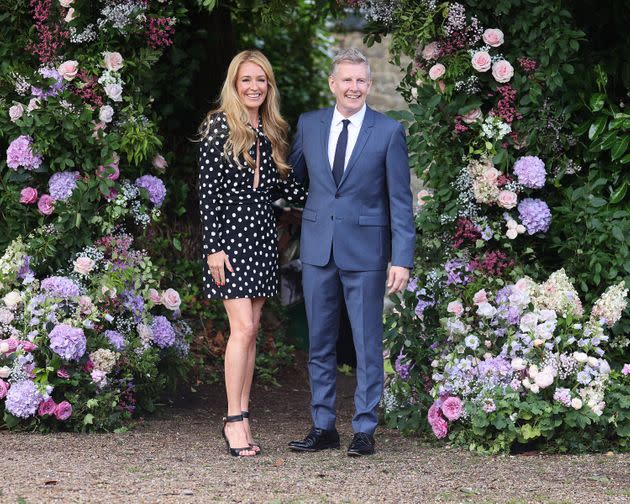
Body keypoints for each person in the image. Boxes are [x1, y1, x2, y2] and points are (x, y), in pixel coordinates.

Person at [288, 48, 415, 456]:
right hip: (317, 249)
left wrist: (402, 257)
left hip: (367, 253)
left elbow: (400, 199)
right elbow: (294, 184)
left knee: (366, 342)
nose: (354, 87)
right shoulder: (308, 125)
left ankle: (364, 428)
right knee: (320, 342)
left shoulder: (388, 131)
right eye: (347, 80)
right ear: (333, 84)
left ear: (369, 85)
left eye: (361, 80)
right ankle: (323, 426)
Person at [198, 50, 305, 457]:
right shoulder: (217, 127)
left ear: (269, 85)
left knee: (253, 328)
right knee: (241, 327)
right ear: (234, 83)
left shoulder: (272, 129)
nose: (254, 86)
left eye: (261, 80)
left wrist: (329, 197)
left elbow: (285, 190)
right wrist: (213, 249)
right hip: (229, 238)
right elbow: (207, 194)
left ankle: (243, 412)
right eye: (246, 80)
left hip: (262, 235)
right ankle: (233, 420)